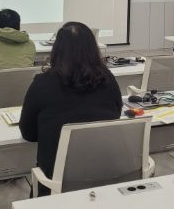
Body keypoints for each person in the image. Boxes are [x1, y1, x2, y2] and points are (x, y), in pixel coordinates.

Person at [19, 22, 122, 196]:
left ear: (57, 49)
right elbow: (115, 117)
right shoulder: (108, 80)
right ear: (93, 49)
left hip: (55, 186)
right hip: (105, 181)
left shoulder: (42, 84)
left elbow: (28, 133)